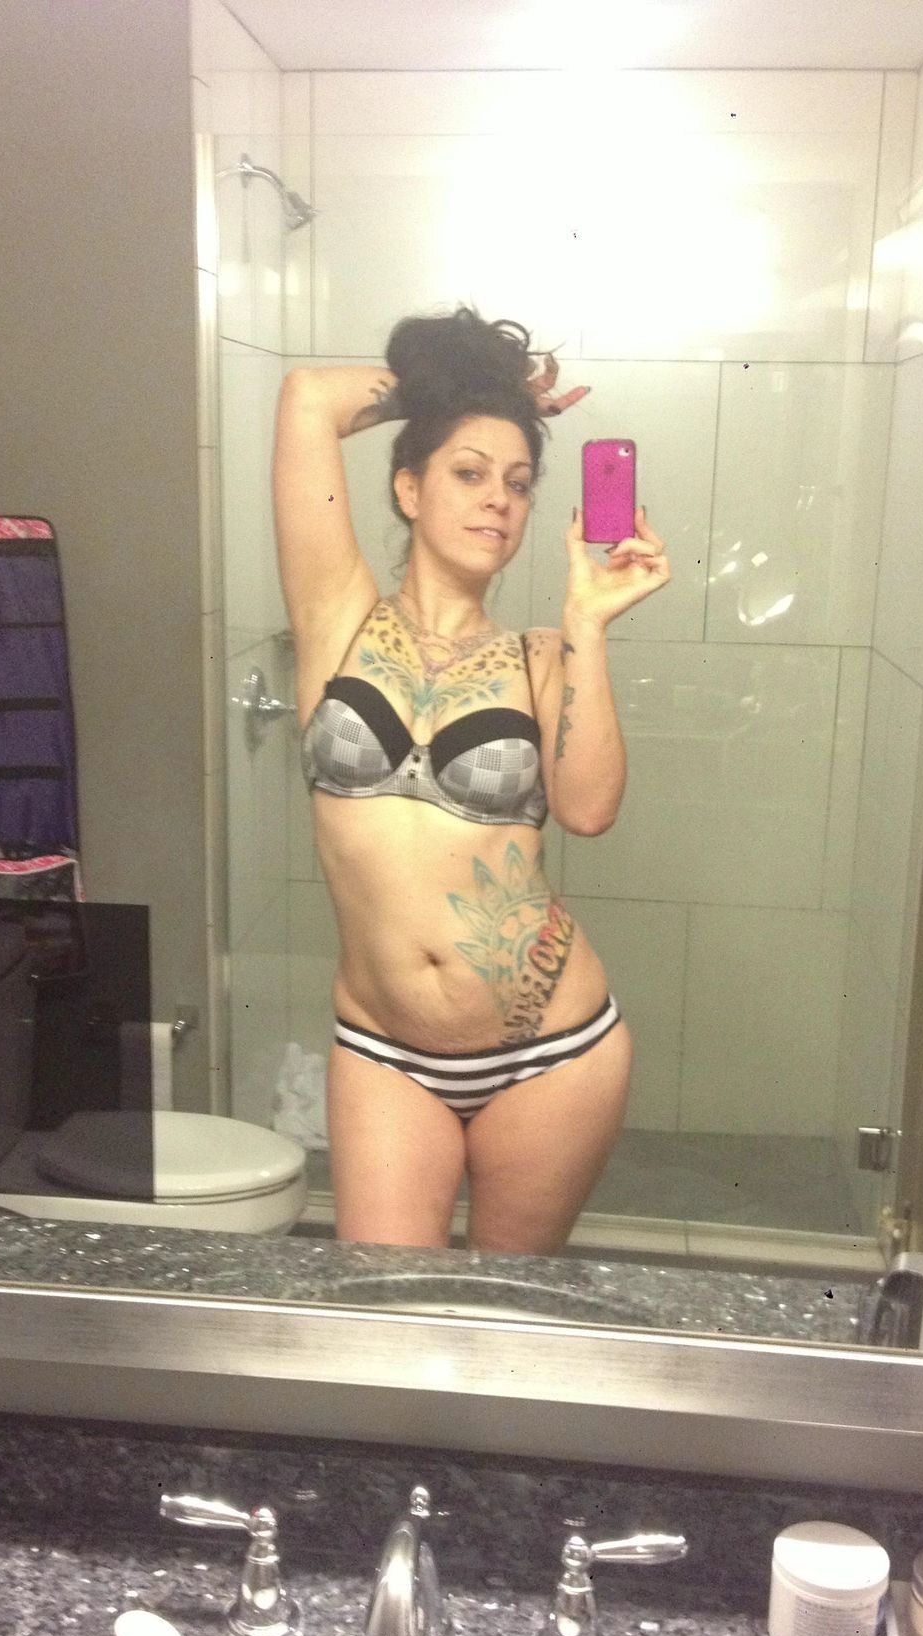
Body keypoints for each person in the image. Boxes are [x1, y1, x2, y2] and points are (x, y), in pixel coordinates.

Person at [273, 307, 670, 1253]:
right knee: (381, 1309)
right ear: (408, 487)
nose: (500, 500)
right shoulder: (339, 619)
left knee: (506, 1313)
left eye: (520, 484)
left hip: (552, 1054)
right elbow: (308, 398)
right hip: (384, 1051)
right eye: (469, 473)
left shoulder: (540, 658)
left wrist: (589, 625)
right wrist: (465, 391)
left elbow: (589, 810)